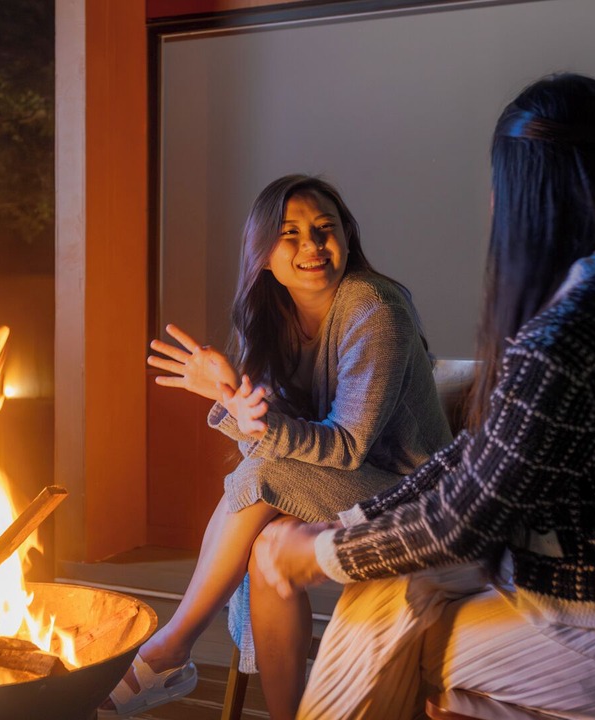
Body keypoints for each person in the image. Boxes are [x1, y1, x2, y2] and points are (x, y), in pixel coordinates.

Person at [254, 74, 595, 719]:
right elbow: (478, 457)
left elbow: (464, 519)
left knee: (385, 609)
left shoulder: (563, 333)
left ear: (525, 193)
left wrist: (317, 553)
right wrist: (351, 525)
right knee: (398, 588)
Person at [100, 174, 452, 718]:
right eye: (290, 233)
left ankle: (170, 647)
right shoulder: (274, 318)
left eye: (324, 229)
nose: (312, 245)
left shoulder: (375, 306)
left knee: (266, 474)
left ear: (346, 238)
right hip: (350, 492)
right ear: (264, 255)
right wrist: (233, 396)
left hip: (419, 504)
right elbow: (274, 446)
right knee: (269, 548)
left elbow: (346, 446)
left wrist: (254, 423)